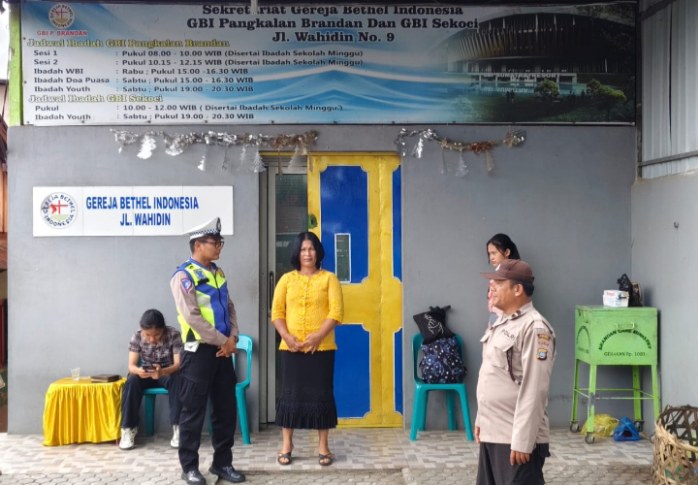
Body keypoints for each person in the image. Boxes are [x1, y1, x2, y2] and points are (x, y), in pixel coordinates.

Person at [170, 217, 245, 485]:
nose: (219, 247)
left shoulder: (218, 272)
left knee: (225, 411)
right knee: (193, 412)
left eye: (220, 242)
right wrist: (223, 341)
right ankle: (189, 467)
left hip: (223, 353)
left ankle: (222, 463)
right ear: (198, 244)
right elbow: (192, 317)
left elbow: (230, 307)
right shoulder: (184, 276)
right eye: (215, 242)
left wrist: (233, 337)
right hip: (199, 353)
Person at [475, 259, 556, 485]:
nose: (492, 286)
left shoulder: (535, 328)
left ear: (517, 289)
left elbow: (535, 389)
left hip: (514, 439)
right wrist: (481, 418)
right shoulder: (501, 323)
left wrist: (522, 441)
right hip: (493, 432)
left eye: (499, 282)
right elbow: (491, 375)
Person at [270, 231, 343, 467]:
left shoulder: (329, 279)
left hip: (322, 350)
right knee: (290, 395)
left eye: (311, 249)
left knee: (321, 395)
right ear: (297, 253)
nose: (307, 253)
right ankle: (287, 445)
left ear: (318, 252)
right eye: (303, 249)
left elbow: (336, 312)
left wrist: (318, 336)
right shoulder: (286, 280)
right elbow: (277, 312)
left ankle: (323, 447)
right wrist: (287, 337)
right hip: (291, 349)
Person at [119, 308, 183, 451]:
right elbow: (131, 366)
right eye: (148, 335)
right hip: (146, 374)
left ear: (163, 329)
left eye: (157, 334)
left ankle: (178, 428)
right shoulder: (136, 337)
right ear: (142, 330)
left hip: (167, 373)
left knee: (179, 379)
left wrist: (162, 371)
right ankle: (128, 429)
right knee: (131, 381)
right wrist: (139, 371)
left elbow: (178, 364)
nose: (152, 339)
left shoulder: (173, 334)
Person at [486, 234, 521, 324]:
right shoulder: (500, 272)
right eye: (489, 253)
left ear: (507, 252)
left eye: (494, 253)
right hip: (497, 317)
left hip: (505, 319)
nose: (491, 257)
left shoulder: (512, 273)